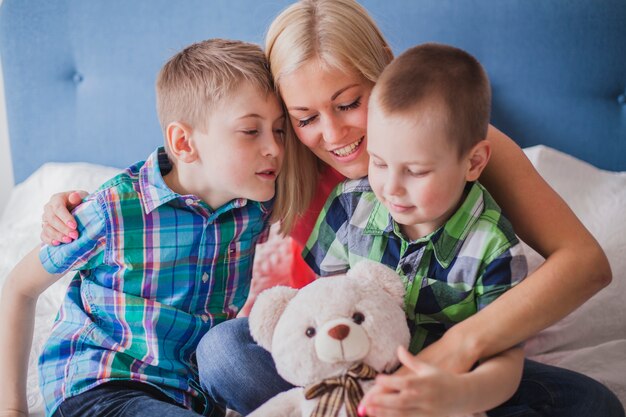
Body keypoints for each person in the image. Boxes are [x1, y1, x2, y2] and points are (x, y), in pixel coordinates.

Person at [39, 1, 624, 417]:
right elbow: (175, 178)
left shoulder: (452, 145)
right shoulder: (274, 158)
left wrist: (458, 351)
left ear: (387, 77)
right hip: (319, 360)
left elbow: (585, 264)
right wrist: (74, 205)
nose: (335, 134)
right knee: (222, 353)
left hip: (440, 360)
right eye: (305, 117)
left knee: (593, 402)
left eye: (350, 103)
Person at [0, 38, 295, 417]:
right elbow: (19, 288)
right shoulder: (113, 210)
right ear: (183, 143)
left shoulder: (254, 204)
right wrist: (11, 409)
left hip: (188, 394)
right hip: (103, 385)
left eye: (280, 130)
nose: (273, 147)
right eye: (250, 131)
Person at [303, 42, 528, 416]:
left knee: (590, 402)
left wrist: (459, 395)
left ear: (473, 163)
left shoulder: (494, 248)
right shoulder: (349, 206)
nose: (391, 187)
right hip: (349, 373)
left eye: (416, 171)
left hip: (443, 386)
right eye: (378, 161)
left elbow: (506, 362)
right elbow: (319, 305)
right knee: (227, 351)